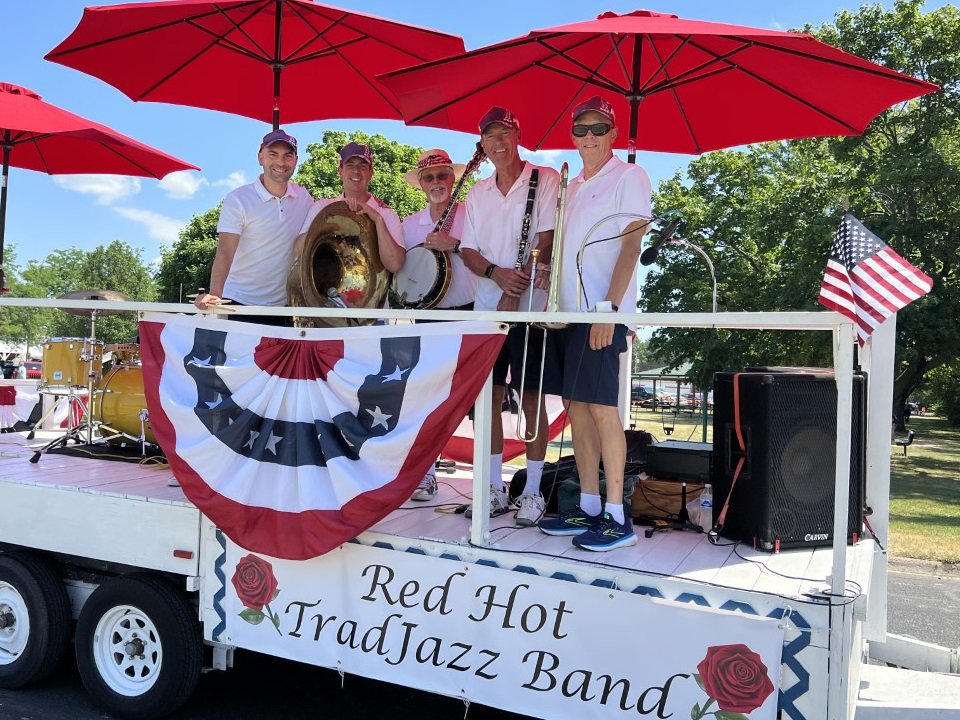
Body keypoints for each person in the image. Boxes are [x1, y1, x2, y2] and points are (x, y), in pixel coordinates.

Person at [537, 96, 652, 551]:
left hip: (602, 312)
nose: (589, 137)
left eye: (598, 128)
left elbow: (631, 246)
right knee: (578, 410)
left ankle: (617, 515)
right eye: (580, 129)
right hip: (568, 313)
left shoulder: (630, 175)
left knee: (604, 411)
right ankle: (587, 505)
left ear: (614, 133)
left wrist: (609, 309)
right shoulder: (574, 185)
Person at [459, 107, 561, 527]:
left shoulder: (546, 179)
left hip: (530, 311)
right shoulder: (477, 193)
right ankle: (494, 488)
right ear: (482, 143)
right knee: (490, 401)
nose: (498, 143)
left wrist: (517, 287)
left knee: (533, 400)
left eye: (504, 133)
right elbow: (467, 251)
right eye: (489, 136)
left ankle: (533, 492)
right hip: (488, 312)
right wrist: (496, 274)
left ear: (518, 135)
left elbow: (547, 239)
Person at [400, 149, 478, 502]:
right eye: (429, 177)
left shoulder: (472, 215)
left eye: (443, 176)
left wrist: (455, 246)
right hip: (429, 316)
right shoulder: (409, 224)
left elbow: (492, 257)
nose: (436, 183)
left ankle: (489, 483)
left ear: (453, 179)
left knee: (480, 401)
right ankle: (426, 474)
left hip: (472, 312)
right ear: (420, 184)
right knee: (429, 398)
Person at [194, 130, 313, 325]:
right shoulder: (238, 199)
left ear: (296, 160)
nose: (281, 162)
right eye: (272, 154)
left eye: (287, 156)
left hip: (283, 307)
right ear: (260, 157)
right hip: (238, 303)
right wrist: (215, 294)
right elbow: (225, 252)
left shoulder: (304, 198)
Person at [293, 142, 405, 274]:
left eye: (362, 166)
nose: (356, 171)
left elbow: (395, 265)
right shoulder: (321, 207)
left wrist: (378, 220)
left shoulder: (386, 214)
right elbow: (298, 251)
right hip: (325, 290)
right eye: (349, 165)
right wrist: (329, 217)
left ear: (371, 173)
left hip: (372, 293)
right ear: (340, 171)